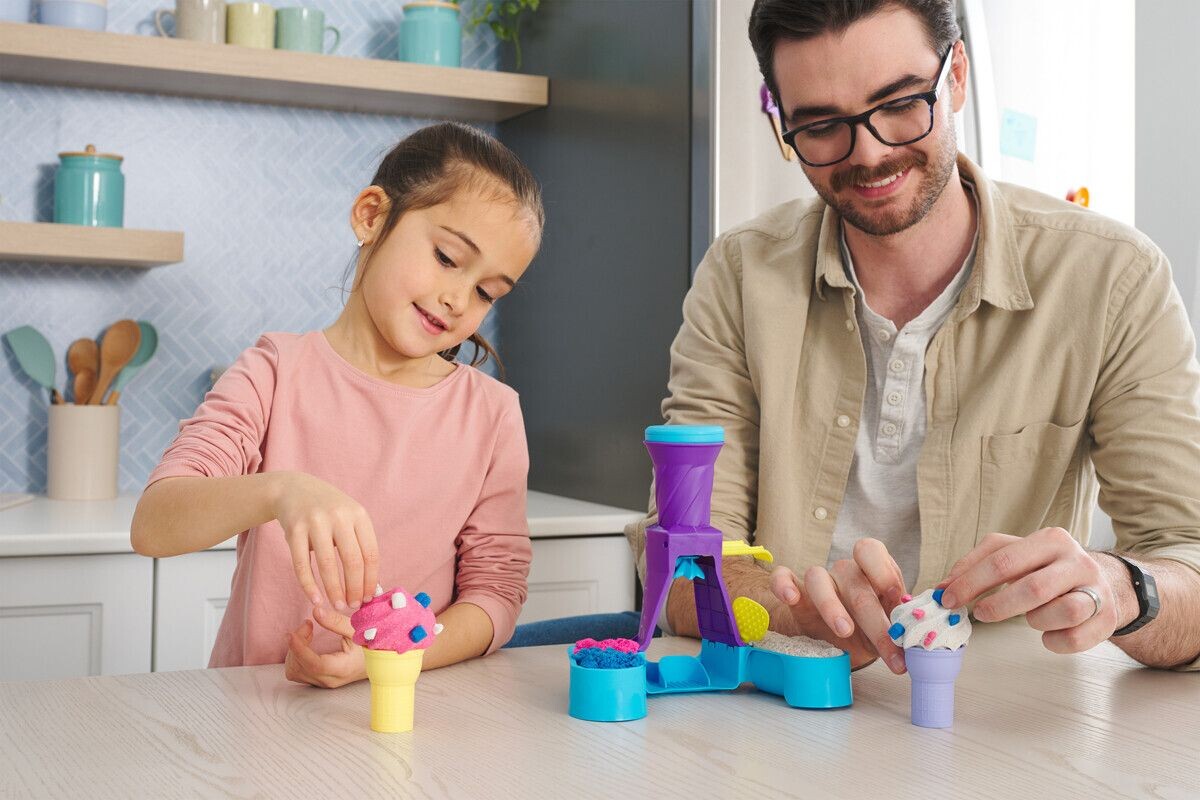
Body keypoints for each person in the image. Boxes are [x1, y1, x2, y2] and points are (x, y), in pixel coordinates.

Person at [627, 0, 1200, 673]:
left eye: (900, 103)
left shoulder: (1112, 279)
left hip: (1003, 731)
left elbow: (1187, 554)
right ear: (781, 122)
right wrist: (791, 611)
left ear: (956, 75)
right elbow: (683, 564)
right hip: (780, 721)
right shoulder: (739, 274)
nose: (869, 154)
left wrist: (1121, 589)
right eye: (820, 125)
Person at [132, 122, 544, 686]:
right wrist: (281, 489)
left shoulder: (492, 414)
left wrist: (393, 659)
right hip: (255, 722)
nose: (457, 299)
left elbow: (495, 595)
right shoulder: (274, 371)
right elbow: (154, 525)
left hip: (406, 723)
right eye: (448, 257)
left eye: (486, 292)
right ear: (372, 216)